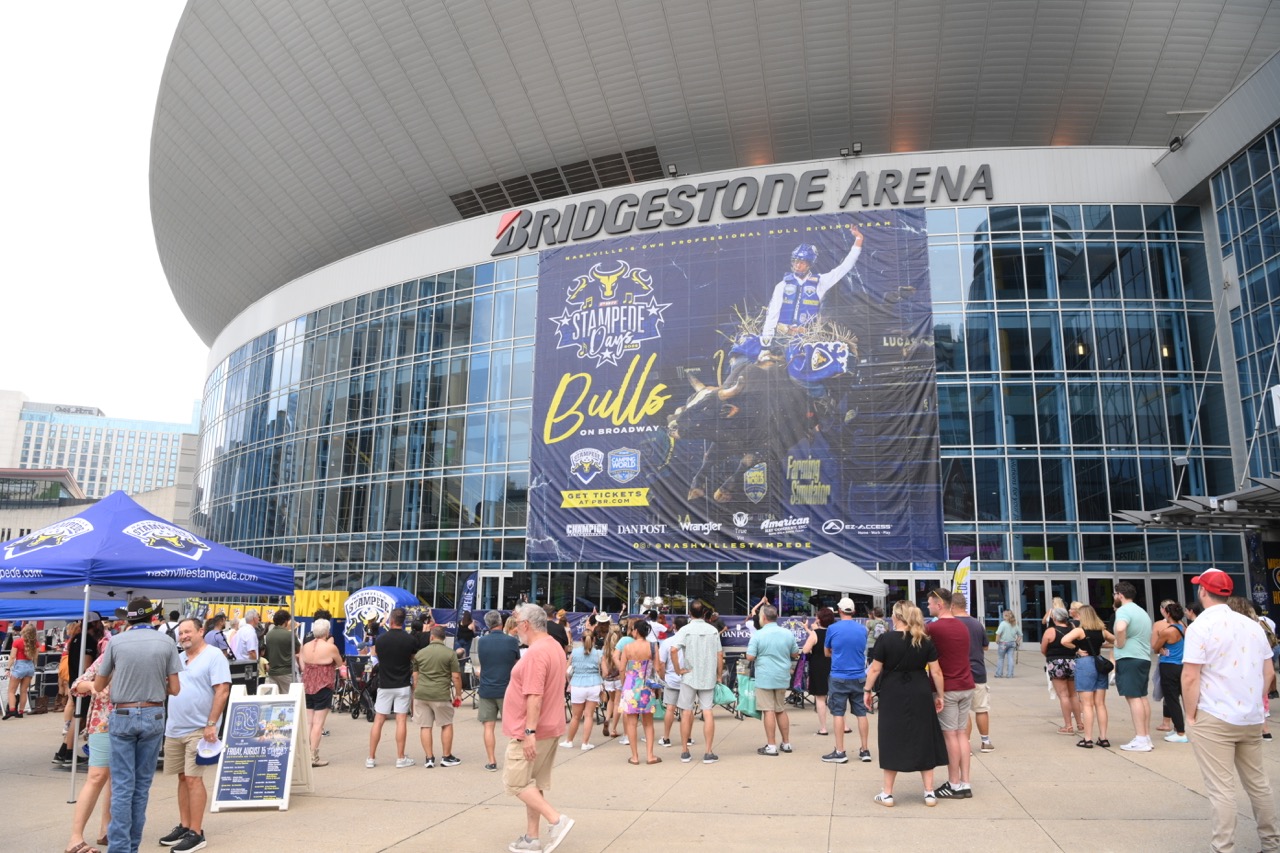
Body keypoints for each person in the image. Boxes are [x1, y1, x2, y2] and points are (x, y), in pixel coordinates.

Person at [1183, 569, 1280, 853]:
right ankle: (1271, 844)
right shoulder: (1253, 626)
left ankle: (1223, 848)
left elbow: (1190, 677)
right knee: (1258, 784)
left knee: (1221, 789)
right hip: (1250, 716)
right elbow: (1269, 673)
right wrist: (1254, 701)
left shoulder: (1200, 626)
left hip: (1214, 715)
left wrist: (1190, 715)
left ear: (1203, 591)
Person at [93, 597, 182, 853]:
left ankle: (120, 848)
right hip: (153, 713)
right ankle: (132, 847)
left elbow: (99, 685)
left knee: (122, 786)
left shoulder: (117, 641)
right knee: (141, 786)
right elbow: (175, 688)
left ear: (129, 619)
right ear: (152, 617)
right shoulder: (166, 641)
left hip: (123, 712)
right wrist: (154, 683)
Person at [502, 603, 574, 853]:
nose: (515, 628)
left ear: (526, 625)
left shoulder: (536, 652)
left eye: (517, 623)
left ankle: (556, 820)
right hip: (550, 725)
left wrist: (529, 732)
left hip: (532, 729)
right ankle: (532, 837)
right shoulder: (554, 646)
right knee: (533, 783)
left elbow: (534, 694)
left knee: (516, 782)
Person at [863, 600, 949, 808]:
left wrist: (867, 690)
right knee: (923, 736)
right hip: (920, 690)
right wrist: (940, 695)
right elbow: (936, 671)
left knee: (891, 737)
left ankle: (887, 793)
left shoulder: (885, 639)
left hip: (893, 691)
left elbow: (875, 669)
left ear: (897, 616)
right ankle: (929, 792)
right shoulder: (924, 639)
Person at [157, 618, 231, 853]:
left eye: (188, 632)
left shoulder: (214, 656)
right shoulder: (179, 658)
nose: (184, 636)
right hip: (175, 728)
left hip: (199, 728)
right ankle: (185, 825)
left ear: (201, 631)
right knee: (182, 778)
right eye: (181, 633)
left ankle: (196, 833)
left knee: (193, 778)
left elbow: (222, 690)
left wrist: (211, 724)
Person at [760, 223, 864, 344]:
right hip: (782, 338)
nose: (798, 265)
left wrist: (858, 239)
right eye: (795, 261)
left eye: (802, 262)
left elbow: (844, 268)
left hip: (807, 339)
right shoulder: (782, 285)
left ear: (809, 265)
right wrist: (766, 341)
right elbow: (772, 313)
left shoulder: (820, 283)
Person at [925, 588, 975, 799]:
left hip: (948, 687)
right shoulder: (963, 626)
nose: (928, 607)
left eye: (930, 603)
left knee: (950, 735)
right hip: (966, 684)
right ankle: (965, 782)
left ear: (939, 605)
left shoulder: (934, 628)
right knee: (962, 734)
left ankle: (953, 783)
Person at [64, 657, 114, 853]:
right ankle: (75, 838)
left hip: (131, 725)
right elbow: (78, 685)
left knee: (116, 778)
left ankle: (106, 829)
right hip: (103, 722)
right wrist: (94, 685)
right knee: (97, 776)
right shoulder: (109, 655)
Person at [671, 602, 724, 763]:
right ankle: (708, 751)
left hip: (689, 676)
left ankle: (685, 751)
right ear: (704, 613)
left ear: (690, 612)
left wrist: (678, 669)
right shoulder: (712, 630)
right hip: (708, 676)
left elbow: (673, 650)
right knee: (707, 711)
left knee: (686, 712)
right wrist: (719, 675)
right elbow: (719, 654)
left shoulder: (685, 630)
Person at [745, 605, 800, 756]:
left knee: (768, 710)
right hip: (782, 676)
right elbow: (795, 653)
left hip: (765, 677)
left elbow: (750, 656)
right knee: (780, 709)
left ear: (763, 618)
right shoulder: (787, 633)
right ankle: (786, 743)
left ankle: (771, 745)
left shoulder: (758, 634)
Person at [367, 607, 417, 768]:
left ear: (391, 621)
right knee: (401, 720)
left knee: (379, 720)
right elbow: (414, 658)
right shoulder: (410, 640)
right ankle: (400, 757)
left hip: (385, 683)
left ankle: (371, 757)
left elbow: (375, 654)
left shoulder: (381, 639)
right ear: (403, 622)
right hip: (402, 683)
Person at [823, 597, 871, 763]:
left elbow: (826, 652)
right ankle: (865, 749)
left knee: (838, 713)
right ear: (854, 611)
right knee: (861, 713)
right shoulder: (862, 629)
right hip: (859, 676)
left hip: (839, 676)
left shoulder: (832, 628)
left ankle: (840, 751)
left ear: (839, 611)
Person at [1060, 604, 1115, 749]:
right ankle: (1103, 737)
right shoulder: (1102, 631)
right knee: (1100, 704)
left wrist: (1077, 649)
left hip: (1085, 664)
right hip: (1099, 663)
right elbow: (1116, 640)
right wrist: (1101, 646)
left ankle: (1088, 738)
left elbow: (1064, 640)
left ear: (1082, 616)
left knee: (1087, 704)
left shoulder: (1079, 630)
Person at [475, 610, 520, 772]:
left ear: (487, 624)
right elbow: (517, 664)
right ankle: (514, 759)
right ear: (501, 622)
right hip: (507, 688)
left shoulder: (482, 642)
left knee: (488, 727)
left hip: (487, 688)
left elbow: (483, 662)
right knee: (514, 727)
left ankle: (491, 761)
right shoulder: (511, 641)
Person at [412, 625, 463, 769]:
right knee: (446, 724)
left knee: (425, 726)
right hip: (440, 694)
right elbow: (456, 677)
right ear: (444, 638)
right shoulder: (450, 654)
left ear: (431, 637)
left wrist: (417, 691)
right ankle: (446, 757)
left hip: (422, 694)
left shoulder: (420, 654)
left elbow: (415, 676)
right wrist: (458, 694)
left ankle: (429, 758)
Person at [1112, 581, 1154, 752]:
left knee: (1133, 697)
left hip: (1129, 657)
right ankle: (1145, 736)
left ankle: (1141, 738)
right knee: (1142, 697)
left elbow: (1120, 628)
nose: (1114, 597)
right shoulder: (1141, 611)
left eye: (1115, 594)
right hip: (1143, 657)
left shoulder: (1123, 610)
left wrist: (1120, 643)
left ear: (1120, 595)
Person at [299, 618, 346, 767]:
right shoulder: (330, 648)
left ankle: (305, 754)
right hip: (323, 685)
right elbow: (340, 663)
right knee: (318, 724)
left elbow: (302, 663)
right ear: (326, 632)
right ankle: (313, 755)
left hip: (307, 685)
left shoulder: (306, 646)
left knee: (308, 722)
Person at [951, 593, 993, 753]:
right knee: (981, 708)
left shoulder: (952, 624)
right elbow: (986, 646)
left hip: (959, 672)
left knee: (964, 711)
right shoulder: (977, 624)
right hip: (978, 671)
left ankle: (965, 744)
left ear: (952, 606)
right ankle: (986, 741)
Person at [618, 619, 661, 765]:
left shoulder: (627, 647)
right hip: (646, 686)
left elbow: (622, 668)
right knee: (648, 723)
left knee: (631, 723)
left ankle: (635, 757)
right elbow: (658, 668)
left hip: (630, 685)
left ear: (636, 631)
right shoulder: (653, 646)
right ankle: (650, 755)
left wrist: (624, 684)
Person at [1041, 607, 1083, 735]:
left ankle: (1068, 726)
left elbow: (1043, 649)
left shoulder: (1050, 631)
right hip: (1072, 662)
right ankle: (1080, 724)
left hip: (1056, 663)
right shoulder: (1073, 630)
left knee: (1063, 695)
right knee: (1073, 695)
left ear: (1054, 618)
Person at [1151, 601, 1188, 744]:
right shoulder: (1183, 627)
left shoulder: (1167, 631)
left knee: (1171, 699)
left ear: (1168, 613)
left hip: (1169, 666)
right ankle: (1179, 728)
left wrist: (1161, 649)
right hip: (1181, 665)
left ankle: (1180, 732)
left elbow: (1155, 648)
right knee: (1180, 697)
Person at [562, 628, 603, 750]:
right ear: (594, 639)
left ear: (581, 639)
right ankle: (585, 743)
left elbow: (566, 670)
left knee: (576, 716)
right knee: (589, 715)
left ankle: (569, 741)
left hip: (577, 684)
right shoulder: (598, 653)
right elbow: (605, 671)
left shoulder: (574, 652)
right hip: (594, 684)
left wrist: (569, 680)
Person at [656, 615, 688, 750]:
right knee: (687, 710)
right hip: (687, 679)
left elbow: (661, 664)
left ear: (674, 626)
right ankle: (688, 737)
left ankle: (666, 737)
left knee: (670, 708)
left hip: (671, 678)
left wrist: (662, 678)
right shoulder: (690, 641)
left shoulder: (667, 642)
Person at [802, 608, 835, 735]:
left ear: (819, 619)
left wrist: (811, 630)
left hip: (818, 667)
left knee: (820, 698)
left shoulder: (815, 634)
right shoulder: (835, 632)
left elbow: (805, 650)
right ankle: (844, 726)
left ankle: (823, 728)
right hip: (834, 665)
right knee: (837, 696)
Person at [4, 621, 39, 718]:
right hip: (30, 666)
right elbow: (35, 657)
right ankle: (21, 711)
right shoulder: (36, 643)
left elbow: (12, 657)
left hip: (20, 666)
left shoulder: (18, 642)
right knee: (24, 691)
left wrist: (8, 668)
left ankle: (12, 710)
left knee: (11, 691)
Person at [600, 623, 624, 739]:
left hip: (608, 679)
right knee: (617, 703)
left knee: (611, 700)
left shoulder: (605, 649)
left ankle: (607, 719)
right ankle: (614, 729)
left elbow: (603, 664)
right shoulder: (621, 648)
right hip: (618, 677)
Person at [262, 609, 294, 695]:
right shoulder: (289, 634)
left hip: (272, 671)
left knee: (275, 696)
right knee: (289, 696)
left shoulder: (269, 635)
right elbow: (297, 649)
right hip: (286, 671)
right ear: (286, 621)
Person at [994, 610, 1018, 678]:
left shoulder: (1003, 623)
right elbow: (1020, 635)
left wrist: (997, 640)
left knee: (1001, 658)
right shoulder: (1014, 624)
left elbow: (998, 633)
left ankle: (999, 674)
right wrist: (1017, 641)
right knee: (1010, 658)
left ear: (1005, 616)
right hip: (1012, 643)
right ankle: (1010, 674)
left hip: (1003, 643)